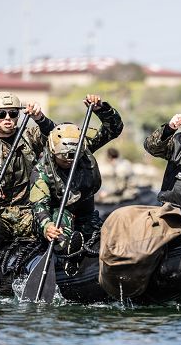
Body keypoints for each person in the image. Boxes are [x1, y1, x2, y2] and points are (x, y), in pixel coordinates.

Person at [30, 95, 123, 274]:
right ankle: (66, 255)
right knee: (60, 234)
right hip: (57, 213)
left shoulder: (84, 147)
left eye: (74, 156)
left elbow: (114, 128)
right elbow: (39, 204)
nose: (69, 161)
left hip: (86, 212)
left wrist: (101, 109)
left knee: (104, 235)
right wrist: (47, 226)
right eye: (63, 158)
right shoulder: (41, 171)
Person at [0, 91, 56, 276]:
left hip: (29, 211)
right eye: (2, 114)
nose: (8, 118)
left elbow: (55, 137)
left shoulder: (30, 135)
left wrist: (40, 119)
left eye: (13, 113)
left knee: (54, 233)